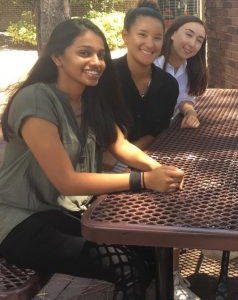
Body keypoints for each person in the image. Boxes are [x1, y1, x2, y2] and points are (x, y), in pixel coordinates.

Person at [0, 19, 185, 299]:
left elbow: (120, 145)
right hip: (19, 221)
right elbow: (67, 181)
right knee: (127, 266)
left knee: (150, 250)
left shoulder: (88, 98)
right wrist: (144, 180)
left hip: (60, 212)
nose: (96, 61)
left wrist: (160, 169)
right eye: (85, 53)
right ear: (57, 57)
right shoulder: (37, 100)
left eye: (101, 54)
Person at [114, 0, 178, 149]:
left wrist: (127, 160)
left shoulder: (168, 85)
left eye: (157, 38)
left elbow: (157, 132)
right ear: (125, 36)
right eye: (142, 34)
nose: (150, 44)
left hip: (150, 157)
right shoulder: (106, 77)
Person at [154, 15, 207, 129]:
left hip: (169, 131)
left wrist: (190, 113)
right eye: (188, 34)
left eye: (199, 40)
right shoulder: (153, 65)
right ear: (173, 34)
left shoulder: (190, 69)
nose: (192, 44)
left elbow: (183, 98)